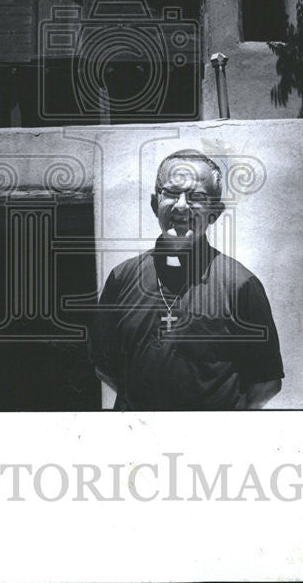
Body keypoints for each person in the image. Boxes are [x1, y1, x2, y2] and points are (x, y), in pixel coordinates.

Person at [91, 149, 284, 410]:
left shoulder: (241, 285)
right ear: (154, 203)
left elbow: (266, 382)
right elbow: (103, 366)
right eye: (170, 193)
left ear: (215, 212)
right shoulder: (122, 278)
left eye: (196, 197)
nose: (181, 206)